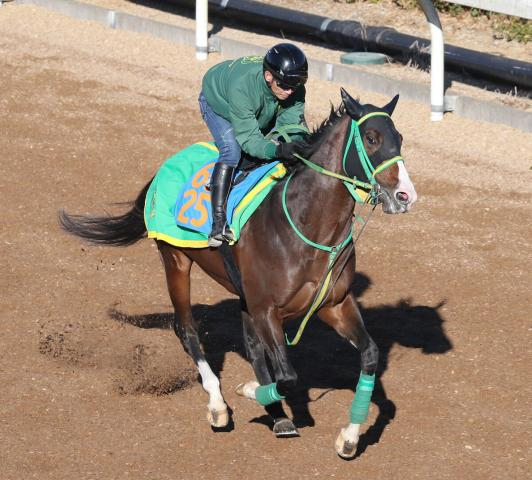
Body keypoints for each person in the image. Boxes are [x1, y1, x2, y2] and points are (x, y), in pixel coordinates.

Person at [199, 43, 309, 247]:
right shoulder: (243, 86)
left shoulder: (292, 87)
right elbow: (249, 139)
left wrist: (296, 144)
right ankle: (218, 222)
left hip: (254, 103)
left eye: (295, 86)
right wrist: (277, 149)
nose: (289, 92)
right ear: (269, 76)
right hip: (219, 101)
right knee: (232, 151)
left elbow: (291, 125)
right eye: (284, 86)